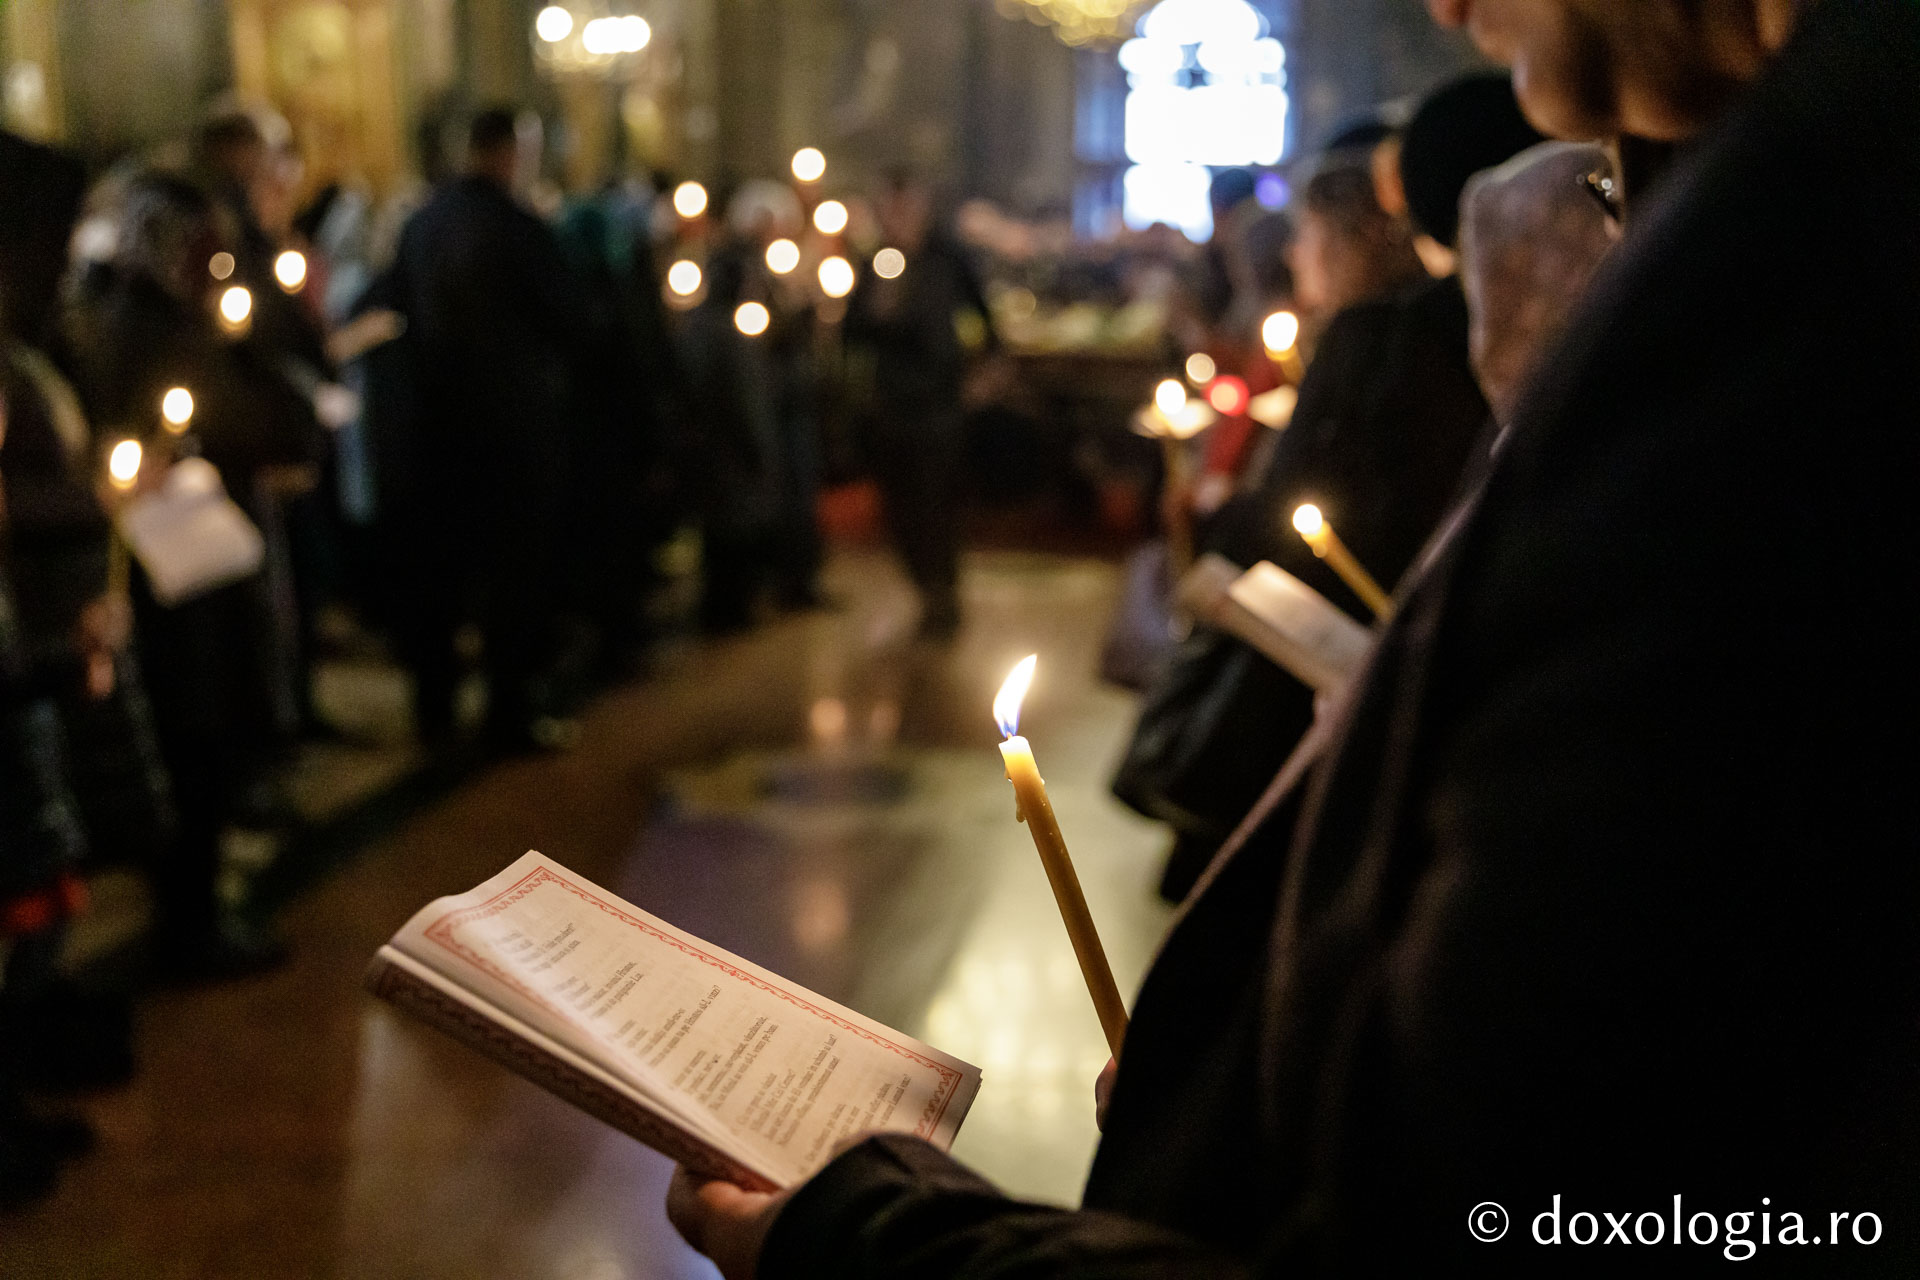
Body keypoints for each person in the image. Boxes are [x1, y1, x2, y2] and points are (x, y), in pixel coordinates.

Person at [667, 0, 1920, 1273]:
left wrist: (870, 1240)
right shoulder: (1794, 242)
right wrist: (1241, 1092)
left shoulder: (1796, 301)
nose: (1442, 8)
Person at [386, 107, 587, 750]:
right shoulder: (521, 228)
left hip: (434, 427)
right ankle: (509, 712)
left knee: (439, 574)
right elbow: (566, 319)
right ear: (510, 152)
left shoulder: (420, 225)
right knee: (514, 575)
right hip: (511, 430)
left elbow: (394, 309)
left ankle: (434, 712)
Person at [843, 173, 996, 638]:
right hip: (892, 406)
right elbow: (853, 333)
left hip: (940, 405)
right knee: (900, 507)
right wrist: (878, 306)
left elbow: (985, 323)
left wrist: (983, 376)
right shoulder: (876, 264)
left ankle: (942, 596)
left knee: (936, 505)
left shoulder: (947, 259)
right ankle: (923, 587)